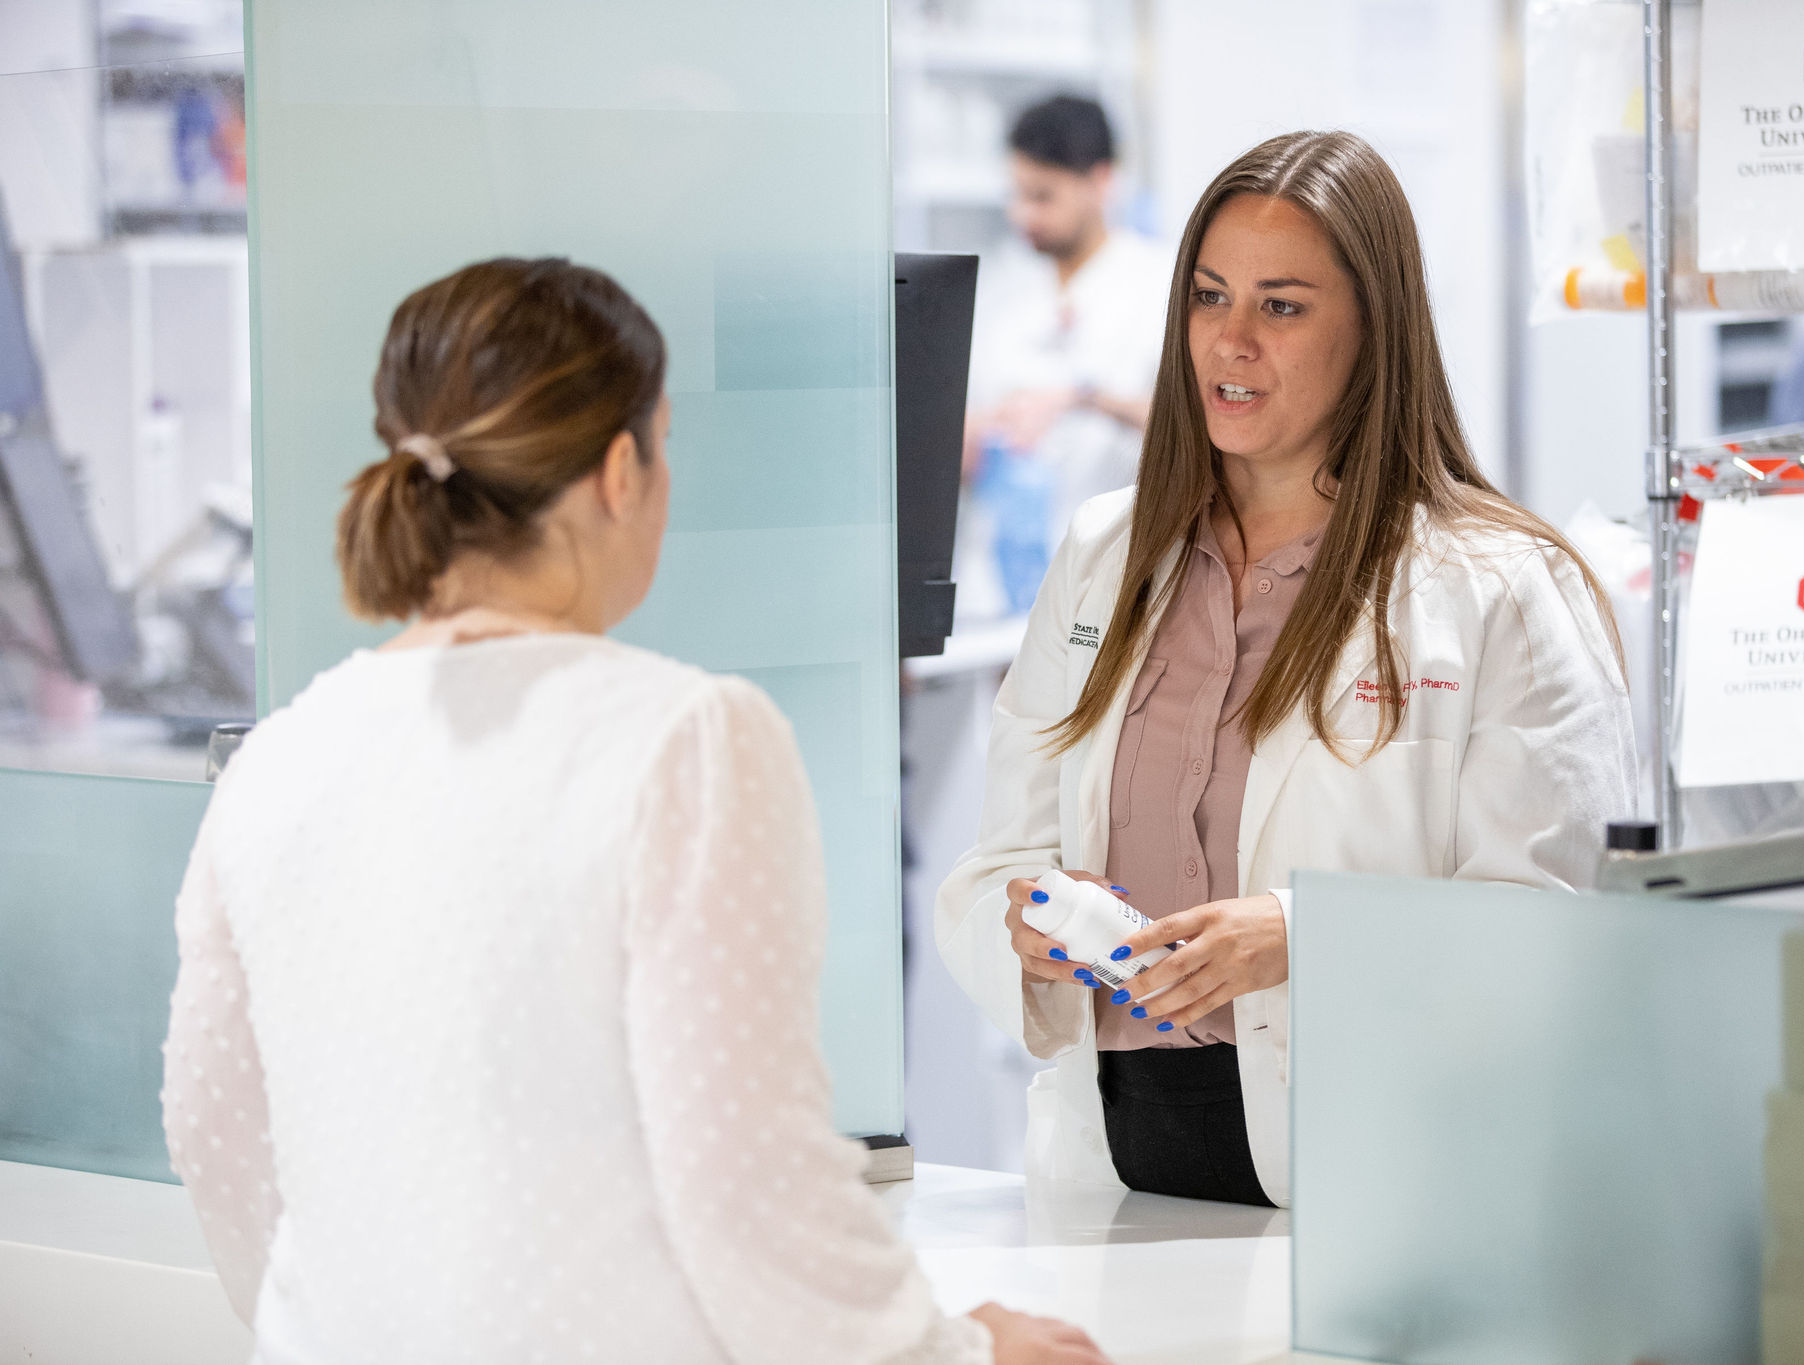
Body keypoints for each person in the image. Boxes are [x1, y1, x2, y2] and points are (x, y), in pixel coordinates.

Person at [161, 258, 1110, 1365]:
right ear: (621, 471)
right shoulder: (687, 742)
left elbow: (215, 1128)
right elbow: (744, 1174)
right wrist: (953, 1351)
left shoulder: (277, 759)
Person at [936, 132, 1638, 1208]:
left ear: (1373, 328)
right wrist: (1026, 927)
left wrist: (1303, 935)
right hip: (1112, 1167)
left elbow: (1561, 922)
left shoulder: (1500, 582)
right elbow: (998, 862)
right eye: (1208, 297)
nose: (1229, 342)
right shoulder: (1100, 556)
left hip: (1386, 1172)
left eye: (1281, 306)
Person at [963, 95, 1173, 611]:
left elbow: (1197, 428)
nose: (1023, 214)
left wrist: (1084, 400)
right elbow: (971, 424)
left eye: (1043, 195)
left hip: (1117, 578)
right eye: (1016, 194)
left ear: (1100, 183)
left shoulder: (1159, 286)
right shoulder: (1004, 289)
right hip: (1003, 582)